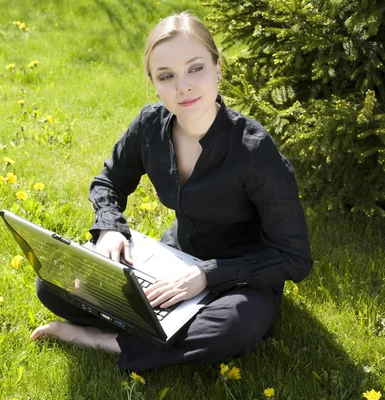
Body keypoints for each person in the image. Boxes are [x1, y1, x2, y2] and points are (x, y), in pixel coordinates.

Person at [30, 11, 313, 372]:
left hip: (242, 279)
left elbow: (294, 257)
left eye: (195, 68)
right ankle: (160, 323)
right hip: (172, 261)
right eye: (167, 76)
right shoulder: (150, 126)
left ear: (218, 69)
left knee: (234, 327)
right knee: (51, 284)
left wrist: (208, 275)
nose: (184, 87)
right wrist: (110, 227)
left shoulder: (254, 150)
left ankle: (108, 340)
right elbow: (109, 182)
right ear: (154, 83)